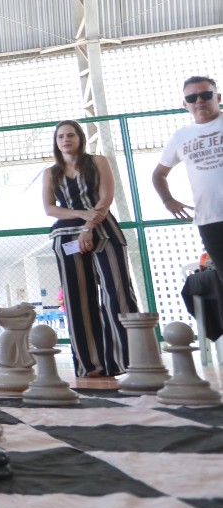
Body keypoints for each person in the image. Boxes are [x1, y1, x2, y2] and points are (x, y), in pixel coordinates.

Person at [45, 120, 138, 377]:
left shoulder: (98, 161)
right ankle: (91, 365)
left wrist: (88, 225)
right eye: (61, 136)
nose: (66, 140)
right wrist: (79, 214)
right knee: (77, 298)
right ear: (56, 141)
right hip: (66, 237)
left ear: (80, 138)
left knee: (117, 292)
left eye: (71, 135)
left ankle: (127, 361)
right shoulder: (51, 173)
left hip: (103, 231)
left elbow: (106, 197)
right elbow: (50, 208)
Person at [153, 76, 223, 265]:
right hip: (209, 219)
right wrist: (168, 201)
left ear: (218, 97)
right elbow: (158, 174)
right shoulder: (180, 136)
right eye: (192, 98)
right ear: (185, 104)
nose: (199, 101)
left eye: (205, 95)